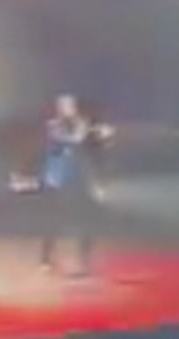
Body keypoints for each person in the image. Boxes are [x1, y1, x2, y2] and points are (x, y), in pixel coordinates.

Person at [39, 94, 114, 273]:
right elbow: (70, 139)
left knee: (86, 220)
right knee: (53, 222)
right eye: (64, 105)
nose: (68, 109)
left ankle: (84, 261)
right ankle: (46, 260)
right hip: (58, 181)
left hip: (80, 180)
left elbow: (95, 149)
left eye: (71, 105)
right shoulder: (53, 126)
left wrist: (104, 137)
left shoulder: (83, 124)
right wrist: (87, 130)